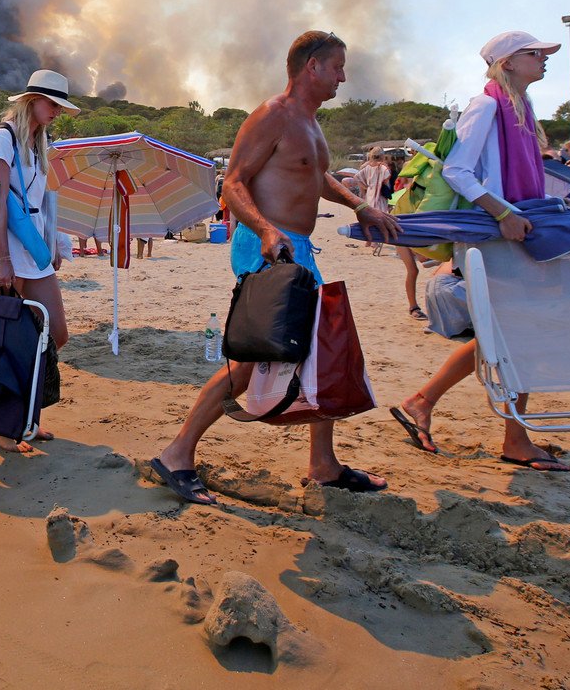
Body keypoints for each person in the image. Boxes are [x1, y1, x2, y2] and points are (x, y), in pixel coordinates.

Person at [151, 33, 400, 502]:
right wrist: (267, 230)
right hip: (266, 248)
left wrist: (357, 206)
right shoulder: (273, 115)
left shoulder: (309, 123)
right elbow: (233, 184)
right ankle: (177, 453)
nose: (343, 78)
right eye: (338, 67)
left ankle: (323, 465)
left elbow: (315, 176)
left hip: (298, 247)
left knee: (321, 350)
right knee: (250, 361)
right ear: (312, 66)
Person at [390, 30, 570, 472]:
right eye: (535, 53)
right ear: (508, 62)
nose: (544, 59)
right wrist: (503, 213)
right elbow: (457, 170)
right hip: (495, 237)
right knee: (520, 335)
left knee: (505, 335)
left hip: (513, 234)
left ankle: (422, 402)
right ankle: (514, 439)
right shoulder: (488, 105)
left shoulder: (521, 109)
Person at [0, 71, 78, 451]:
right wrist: (2, 258)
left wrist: (54, 244)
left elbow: (41, 202)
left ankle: (22, 412)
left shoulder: (37, 143)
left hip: (32, 248)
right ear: (32, 100)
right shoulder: (3, 138)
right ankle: (6, 425)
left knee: (55, 332)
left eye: (60, 107)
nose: (57, 112)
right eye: (53, 104)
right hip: (4, 250)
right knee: (6, 337)